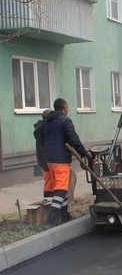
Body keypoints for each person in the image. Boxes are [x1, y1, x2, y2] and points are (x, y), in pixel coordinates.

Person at [34, 98, 91, 229]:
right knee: (61, 190)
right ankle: (51, 221)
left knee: (61, 188)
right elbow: (74, 139)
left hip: (50, 160)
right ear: (65, 108)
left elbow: (37, 132)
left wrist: (47, 145)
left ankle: (64, 216)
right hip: (60, 161)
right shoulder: (65, 121)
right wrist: (85, 153)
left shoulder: (48, 121)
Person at [34, 109, 53, 200]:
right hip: (50, 161)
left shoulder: (39, 129)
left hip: (44, 162)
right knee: (54, 184)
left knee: (49, 183)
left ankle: (48, 203)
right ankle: (52, 204)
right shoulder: (46, 129)